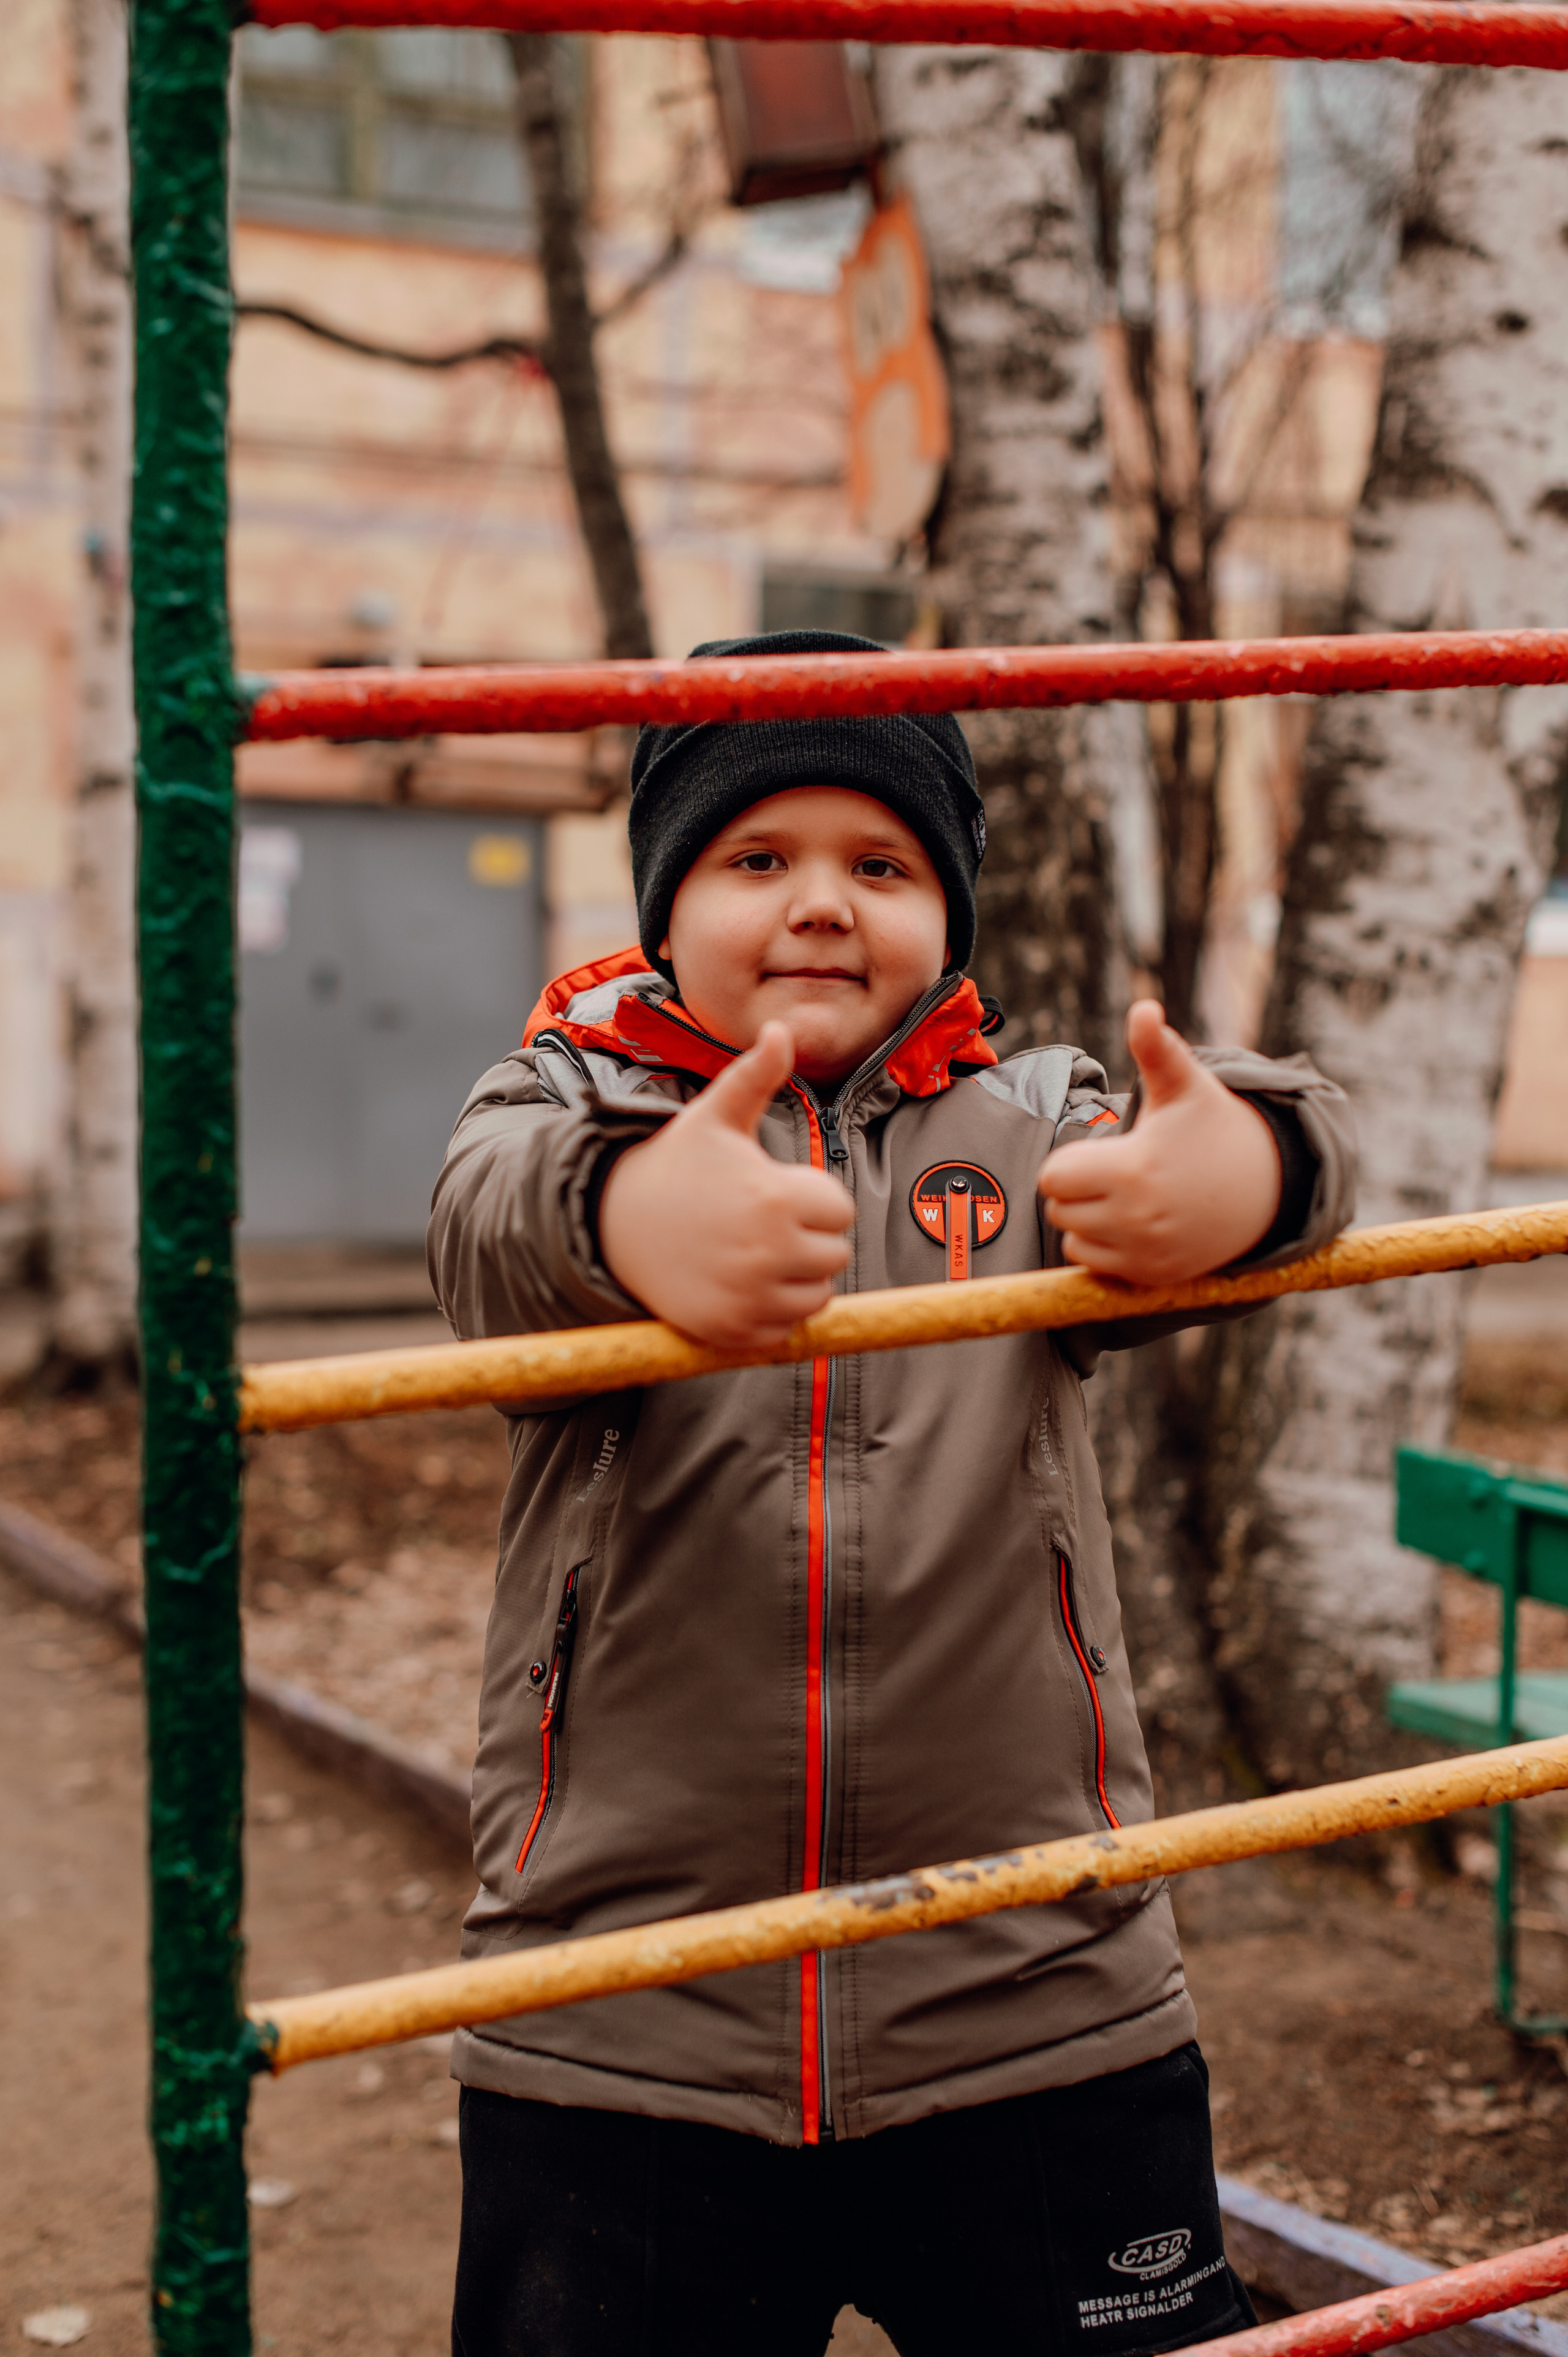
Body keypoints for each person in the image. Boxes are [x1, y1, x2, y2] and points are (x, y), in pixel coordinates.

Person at [429, 630, 1357, 2357]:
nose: (820, 904)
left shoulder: (1028, 1122)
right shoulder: (561, 1098)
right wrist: (630, 1214)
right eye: (754, 859)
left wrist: (1243, 1166)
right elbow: (489, 1222)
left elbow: (1291, 1157)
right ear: (665, 900)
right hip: (626, 2021)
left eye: (881, 864)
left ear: (950, 907)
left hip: (1040, 2003)